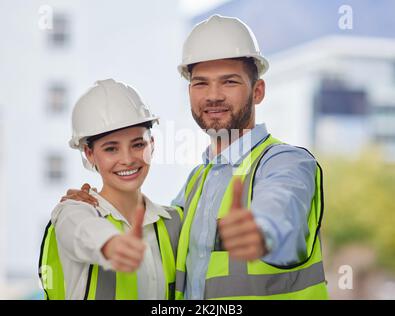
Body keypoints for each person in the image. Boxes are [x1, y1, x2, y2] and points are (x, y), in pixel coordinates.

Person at [60, 15, 328, 300]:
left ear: (258, 91)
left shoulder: (286, 162)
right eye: (201, 83)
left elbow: (282, 206)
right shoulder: (197, 182)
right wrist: (97, 205)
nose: (213, 96)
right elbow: (160, 229)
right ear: (189, 92)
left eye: (229, 82)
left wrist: (261, 230)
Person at [39, 79, 182, 300]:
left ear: (152, 145)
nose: (127, 159)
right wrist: (110, 244)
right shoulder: (74, 211)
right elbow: (81, 230)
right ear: (89, 153)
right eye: (111, 149)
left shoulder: (174, 222)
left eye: (138, 144)